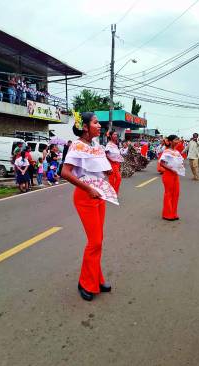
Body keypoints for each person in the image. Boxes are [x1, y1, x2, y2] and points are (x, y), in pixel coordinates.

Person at [61, 112, 116, 302]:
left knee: (98, 240)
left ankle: (96, 278)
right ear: (85, 127)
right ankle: (85, 282)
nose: (99, 125)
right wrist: (88, 189)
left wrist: (107, 170)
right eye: (95, 122)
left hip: (99, 194)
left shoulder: (97, 146)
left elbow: (100, 168)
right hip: (85, 196)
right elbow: (65, 173)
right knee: (95, 242)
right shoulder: (76, 145)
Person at [160, 135, 185, 221]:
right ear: (170, 141)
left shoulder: (177, 152)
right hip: (168, 175)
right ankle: (167, 214)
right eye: (176, 140)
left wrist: (180, 167)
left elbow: (180, 162)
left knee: (176, 194)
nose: (178, 141)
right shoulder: (166, 151)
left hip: (175, 175)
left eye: (178, 140)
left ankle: (173, 213)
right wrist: (171, 169)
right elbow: (162, 163)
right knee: (169, 194)